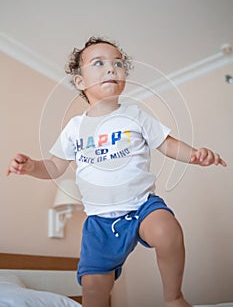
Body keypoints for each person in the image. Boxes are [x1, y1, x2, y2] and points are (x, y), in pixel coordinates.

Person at [7, 37, 227, 307]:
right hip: (99, 221)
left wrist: (194, 154)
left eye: (118, 63)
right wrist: (31, 166)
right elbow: (54, 166)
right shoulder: (75, 127)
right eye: (99, 63)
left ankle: (174, 297)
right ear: (80, 82)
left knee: (168, 231)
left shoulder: (135, 115)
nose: (111, 69)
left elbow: (166, 144)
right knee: (93, 289)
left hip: (141, 207)